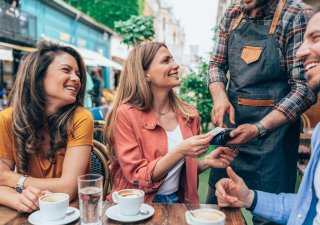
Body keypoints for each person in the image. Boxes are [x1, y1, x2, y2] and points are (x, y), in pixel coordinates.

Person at [206, 0, 317, 223]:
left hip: (274, 142)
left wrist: (258, 128)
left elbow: (303, 88)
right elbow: (216, 65)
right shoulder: (232, 13)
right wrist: (219, 97)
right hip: (232, 134)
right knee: (215, 210)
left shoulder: (294, 15)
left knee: (269, 215)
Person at [104, 42, 238, 204]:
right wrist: (181, 151)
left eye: (173, 60)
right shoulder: (126, 114)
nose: (176, 65)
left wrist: (205, 162)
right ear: (145, 74)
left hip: (176, 202)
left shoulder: (189, 115)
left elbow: (176, 173)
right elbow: (137, 176)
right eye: (166, 61)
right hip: (134, 204)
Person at [0, 40, 94, 213]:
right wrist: (18, 199)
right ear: (38, 75)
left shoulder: (80, 118)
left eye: (78, 74)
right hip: (28, 214)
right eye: (66, 70)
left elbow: (68, 188)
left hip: (72, 213)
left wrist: (14, 180)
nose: (76, 79)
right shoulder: (7, 119)